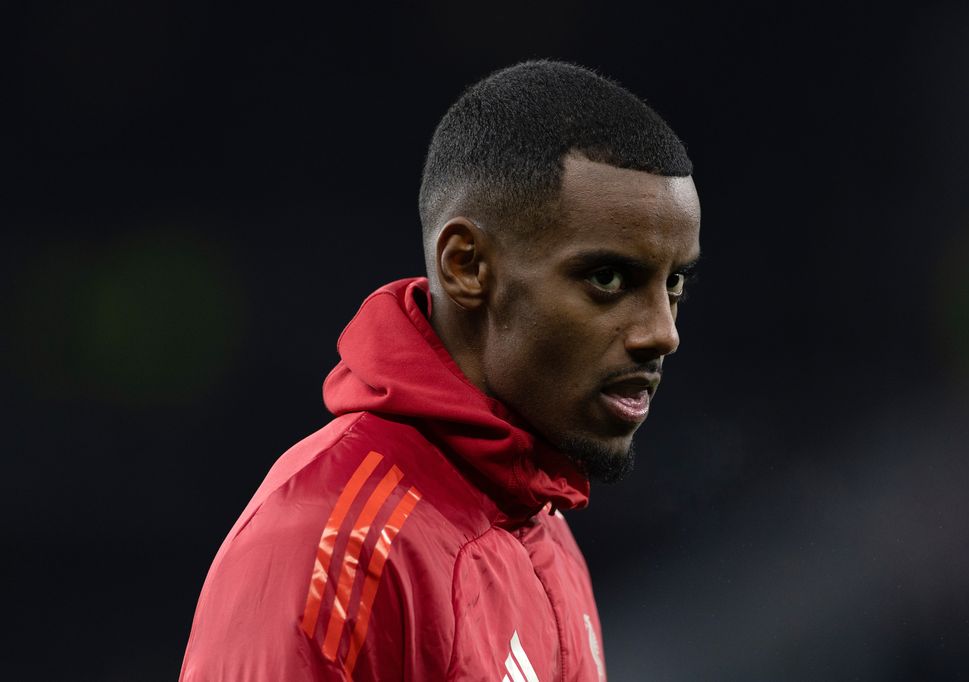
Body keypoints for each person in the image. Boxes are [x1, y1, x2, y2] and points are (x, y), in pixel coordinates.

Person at [180, 60, 701, 681]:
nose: (662, 334)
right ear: (467, 267)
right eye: (606, 279)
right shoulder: (332, 546)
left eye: (673, 285)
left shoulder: (546, 533)